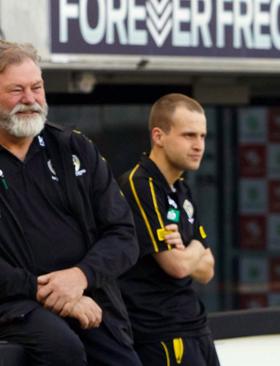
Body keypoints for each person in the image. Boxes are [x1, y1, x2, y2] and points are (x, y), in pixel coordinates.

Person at [0, 40, 141, 365]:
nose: (30, 100)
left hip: (85, 293)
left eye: (37, 87)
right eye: (16, 90)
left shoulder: (74, 148)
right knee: (62, 348)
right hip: (15, 302)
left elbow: (123, 235)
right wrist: (42, 291)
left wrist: (80, 277)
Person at [118, 93, 219, 365]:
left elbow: (208, 270)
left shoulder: (181, 189)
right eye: (188, 135)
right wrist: (196, 248)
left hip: (196, 326)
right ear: (158, 136)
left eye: (202, 136)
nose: (199, 145)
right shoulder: (140, 185)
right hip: (160, 333)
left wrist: (190, 250)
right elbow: (177, 266)